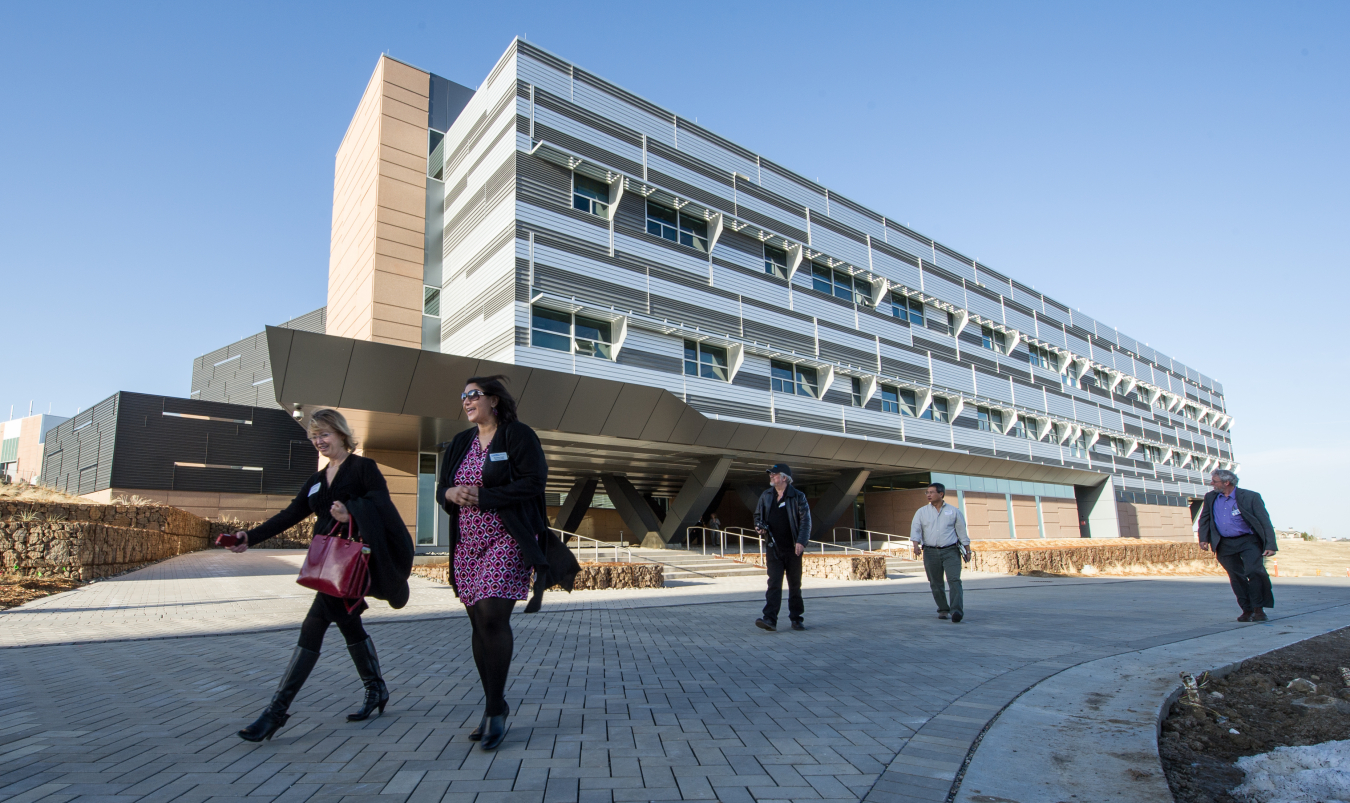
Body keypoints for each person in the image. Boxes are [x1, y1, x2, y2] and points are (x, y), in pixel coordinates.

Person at [226, 408, 414, 742]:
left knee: (313, 625)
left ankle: (275, 713)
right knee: (348, 623)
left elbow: (383, 505)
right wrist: (248, 537)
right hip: (327, 565)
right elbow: (290, 514)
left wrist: (351, 511)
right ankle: (376, 690)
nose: (319, 441)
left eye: (324, 434)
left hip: (351, 563)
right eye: (314, 436)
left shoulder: (363, 468)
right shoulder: (316, 481)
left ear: (342, 434)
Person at [438, 375, 578, 750]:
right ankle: (493, 703)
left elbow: (535, 482)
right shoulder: (460, 443)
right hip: (467, 543)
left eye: (474, 395)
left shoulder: (517, 435)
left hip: (508, 536)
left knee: (492, 618)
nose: (466, 401)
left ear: (494, 400)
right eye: (463, 396)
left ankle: (496, 712)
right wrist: (450, 492)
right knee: (477, 624)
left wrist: (487, 497)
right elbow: (442, 490)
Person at [1196, 469, 1276, 622]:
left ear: (1227, 483)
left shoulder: (1251, 497)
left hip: (1248, 540)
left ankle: (1259, 609)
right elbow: (1204, 519)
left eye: (1215, 481)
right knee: (1236, 576)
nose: (1211, 483)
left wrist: (1270, 544)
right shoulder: (1210, 497)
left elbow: (1265, 521)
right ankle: (1247, 609)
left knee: (1255, 572)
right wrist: (1203, 538)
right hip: (1224, 542)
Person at [753, 464, 812, 632]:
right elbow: (757, 516)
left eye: (774, 474)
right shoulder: (766, 495)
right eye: (770, 474)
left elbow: (806, 521)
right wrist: (759, 527)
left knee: (794, 585)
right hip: (774, 547)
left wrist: (801, 541)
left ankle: (796, 618)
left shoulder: (798, 497)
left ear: (785, 478)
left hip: (793, 548)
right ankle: (770, 619)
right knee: (774, 584)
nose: (771, 476)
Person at [910, 483, 970, 623]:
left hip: (951, 550)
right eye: (927, 492)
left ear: (941, 494)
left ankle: (956, 611)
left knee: (954, 580)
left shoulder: (954, 511)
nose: (928, 495)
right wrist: (915, 545)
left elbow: (962, 532)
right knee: (935, 583)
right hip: (930, 552)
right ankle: (943, 609)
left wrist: (968, 550)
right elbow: (916, 530)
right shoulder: (921, 512)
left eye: (931, 492)